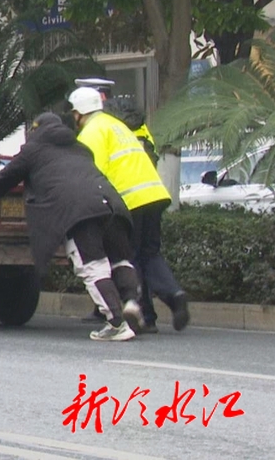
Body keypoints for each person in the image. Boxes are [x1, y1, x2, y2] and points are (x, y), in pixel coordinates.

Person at [0, 112, 143, 341]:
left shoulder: (34, 149)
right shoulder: (80, 148)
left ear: (36, 131)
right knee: (120, 260)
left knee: (93, 267)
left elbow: (3, 181)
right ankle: (132, 304)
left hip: (78, 211)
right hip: (112, 204)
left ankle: (117, 324)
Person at [68, 87, 190, 333]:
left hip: (129, 200)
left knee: (129, 258)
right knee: (150, 254)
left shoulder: (91, 132)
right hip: (154, 194)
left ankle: (142, 314)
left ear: (78, 113)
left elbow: (92, 173)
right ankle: (174, 294)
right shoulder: (117, 126)